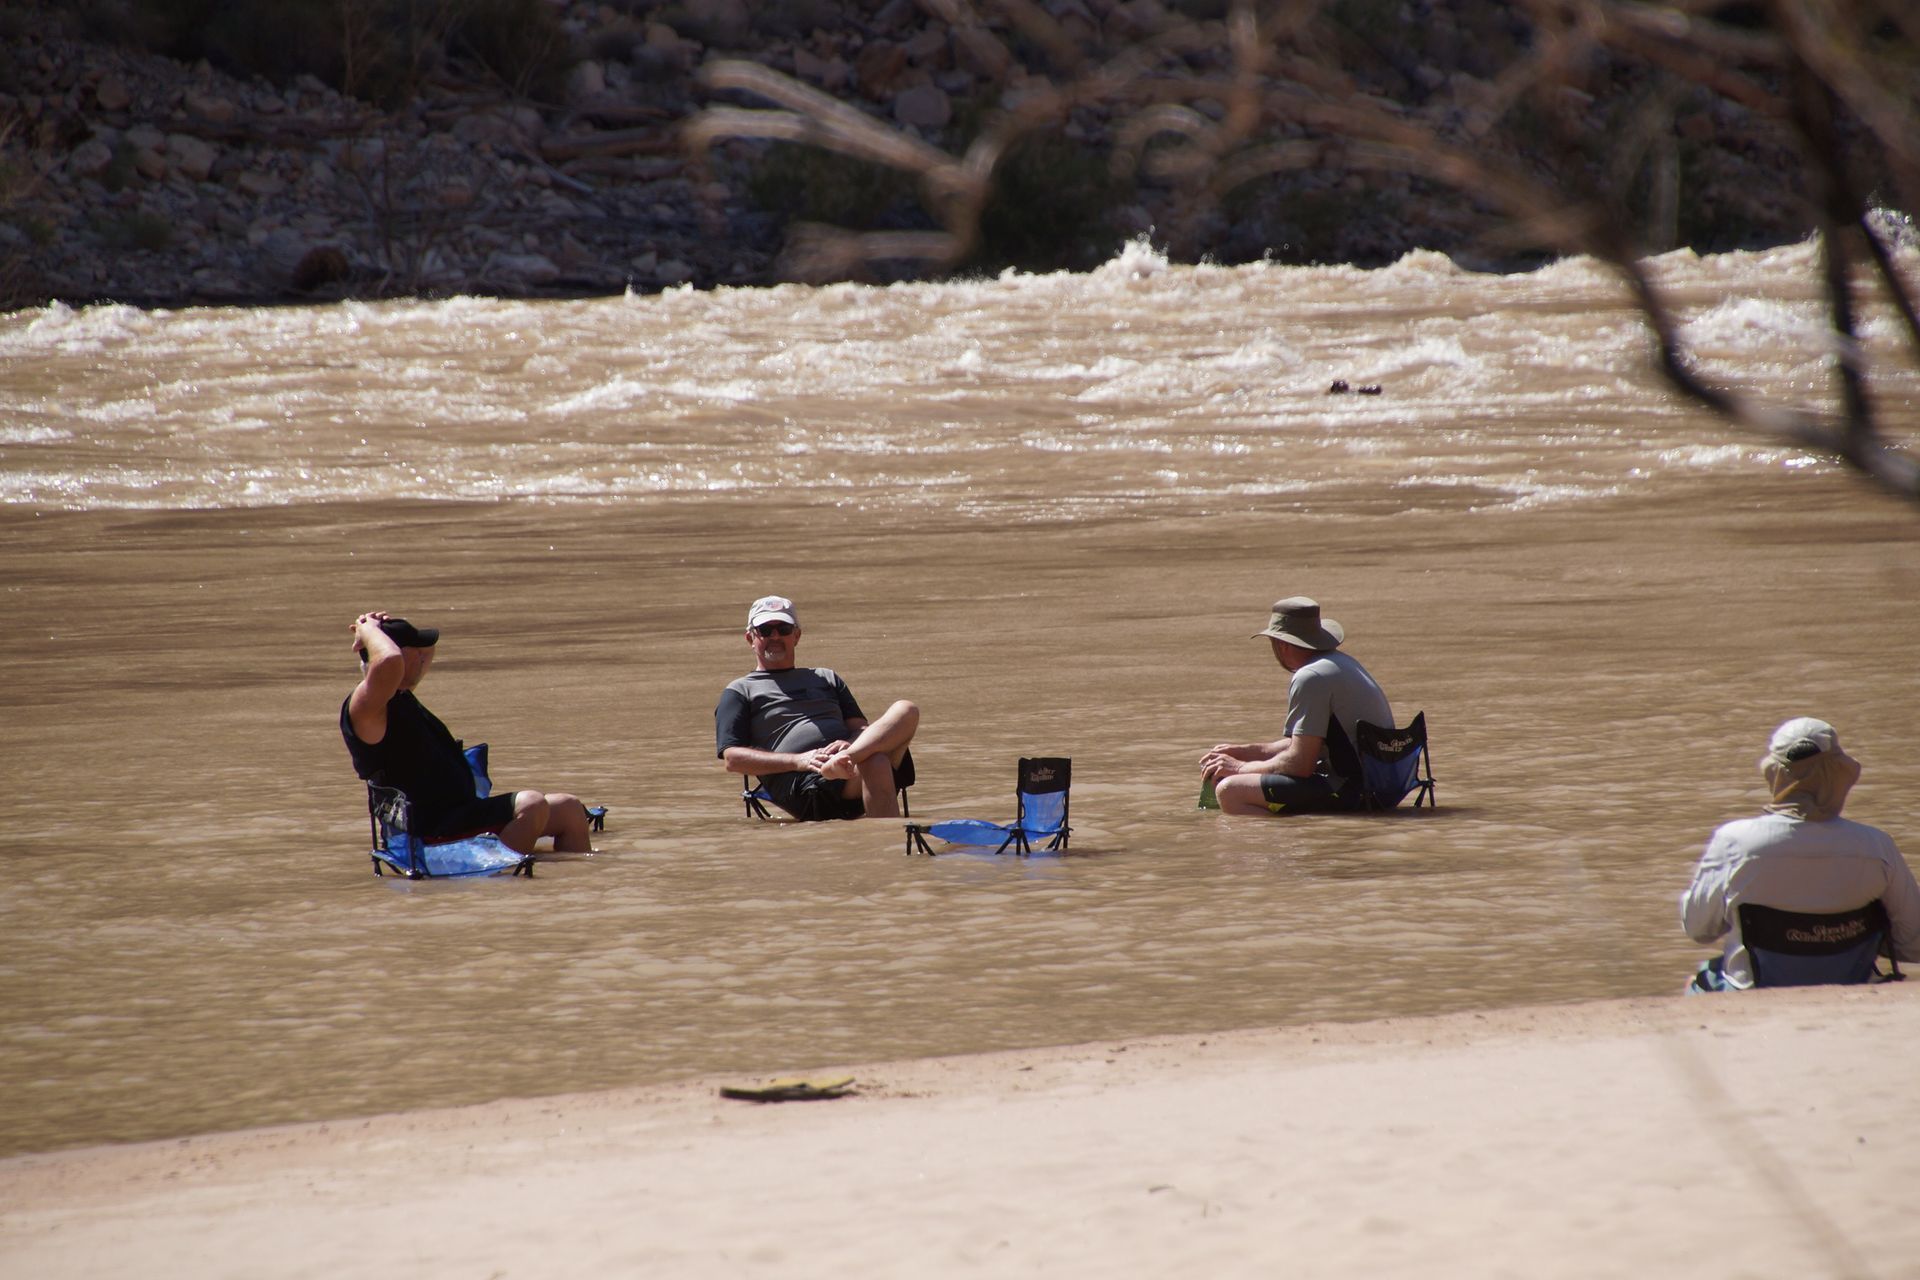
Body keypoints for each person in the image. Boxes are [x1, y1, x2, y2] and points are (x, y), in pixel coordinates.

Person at [1680, 716, 1920, 991]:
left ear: (1774, 774)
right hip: (1855, 988)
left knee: (1698, 980)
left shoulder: (1735, 842)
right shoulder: (1877, 846)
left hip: (1755, 990)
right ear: (1840, 775)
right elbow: (1914, 944)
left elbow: (1699, 930)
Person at [341, 611, 593, 855]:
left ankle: (575, 886)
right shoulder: (368, 709)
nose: (422, 656)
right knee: (532, 804)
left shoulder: (402, 692)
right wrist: (368, 630)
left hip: (462, 813)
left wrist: (378, 628)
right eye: (414, 650)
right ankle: (500, 881)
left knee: (569, 809)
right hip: (431, 829)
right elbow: (387, 662)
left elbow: (419, 651)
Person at [715, 595, 921, 821]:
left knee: (906, 709)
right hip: (803, 780)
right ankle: (891, 844)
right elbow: (732, 759)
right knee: (876, 761)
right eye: (765, 630)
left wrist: (850, 744)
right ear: (750, 638)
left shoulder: (826, 677)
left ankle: (886, 841)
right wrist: (799, 760)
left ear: (796, 636)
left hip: (848, 764)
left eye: (783, 628)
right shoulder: (739, 691)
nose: (775, 636)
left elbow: (861, 728)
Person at [1199, 596, 1394, 816]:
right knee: (1247, 781)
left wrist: (1238, 768)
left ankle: (1286, 844)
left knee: (1231, 791)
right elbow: (1303, 744)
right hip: (1385, 785)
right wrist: (1243, 752)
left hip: (1358, 792)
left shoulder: (1310, 677)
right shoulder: (1341, 663)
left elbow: (1300, 763)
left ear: (1281, 645)